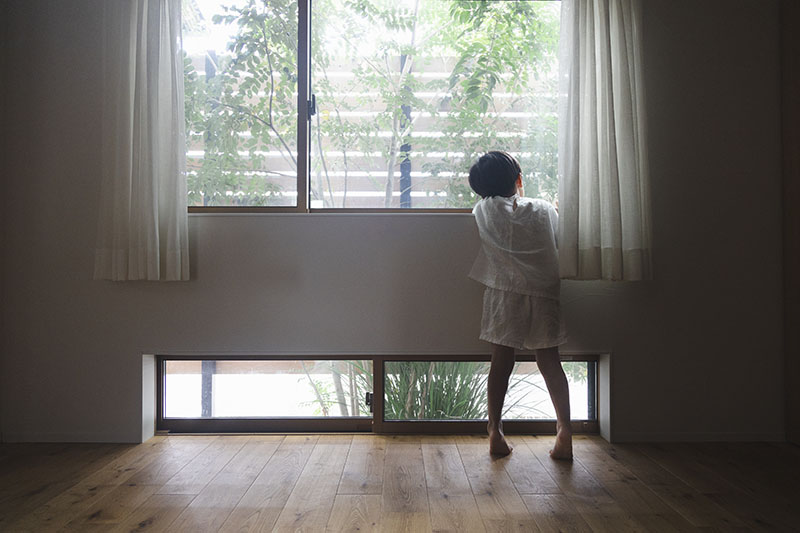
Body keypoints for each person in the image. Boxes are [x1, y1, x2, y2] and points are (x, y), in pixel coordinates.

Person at [468, 151, 572, 460]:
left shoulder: (484, 210)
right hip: (543, 292)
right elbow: (556, 238)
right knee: (550, 361)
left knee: (501, 361)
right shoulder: (542, 209)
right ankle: (565, 430)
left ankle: (495, 432)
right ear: (519, 180)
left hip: (504, 291)